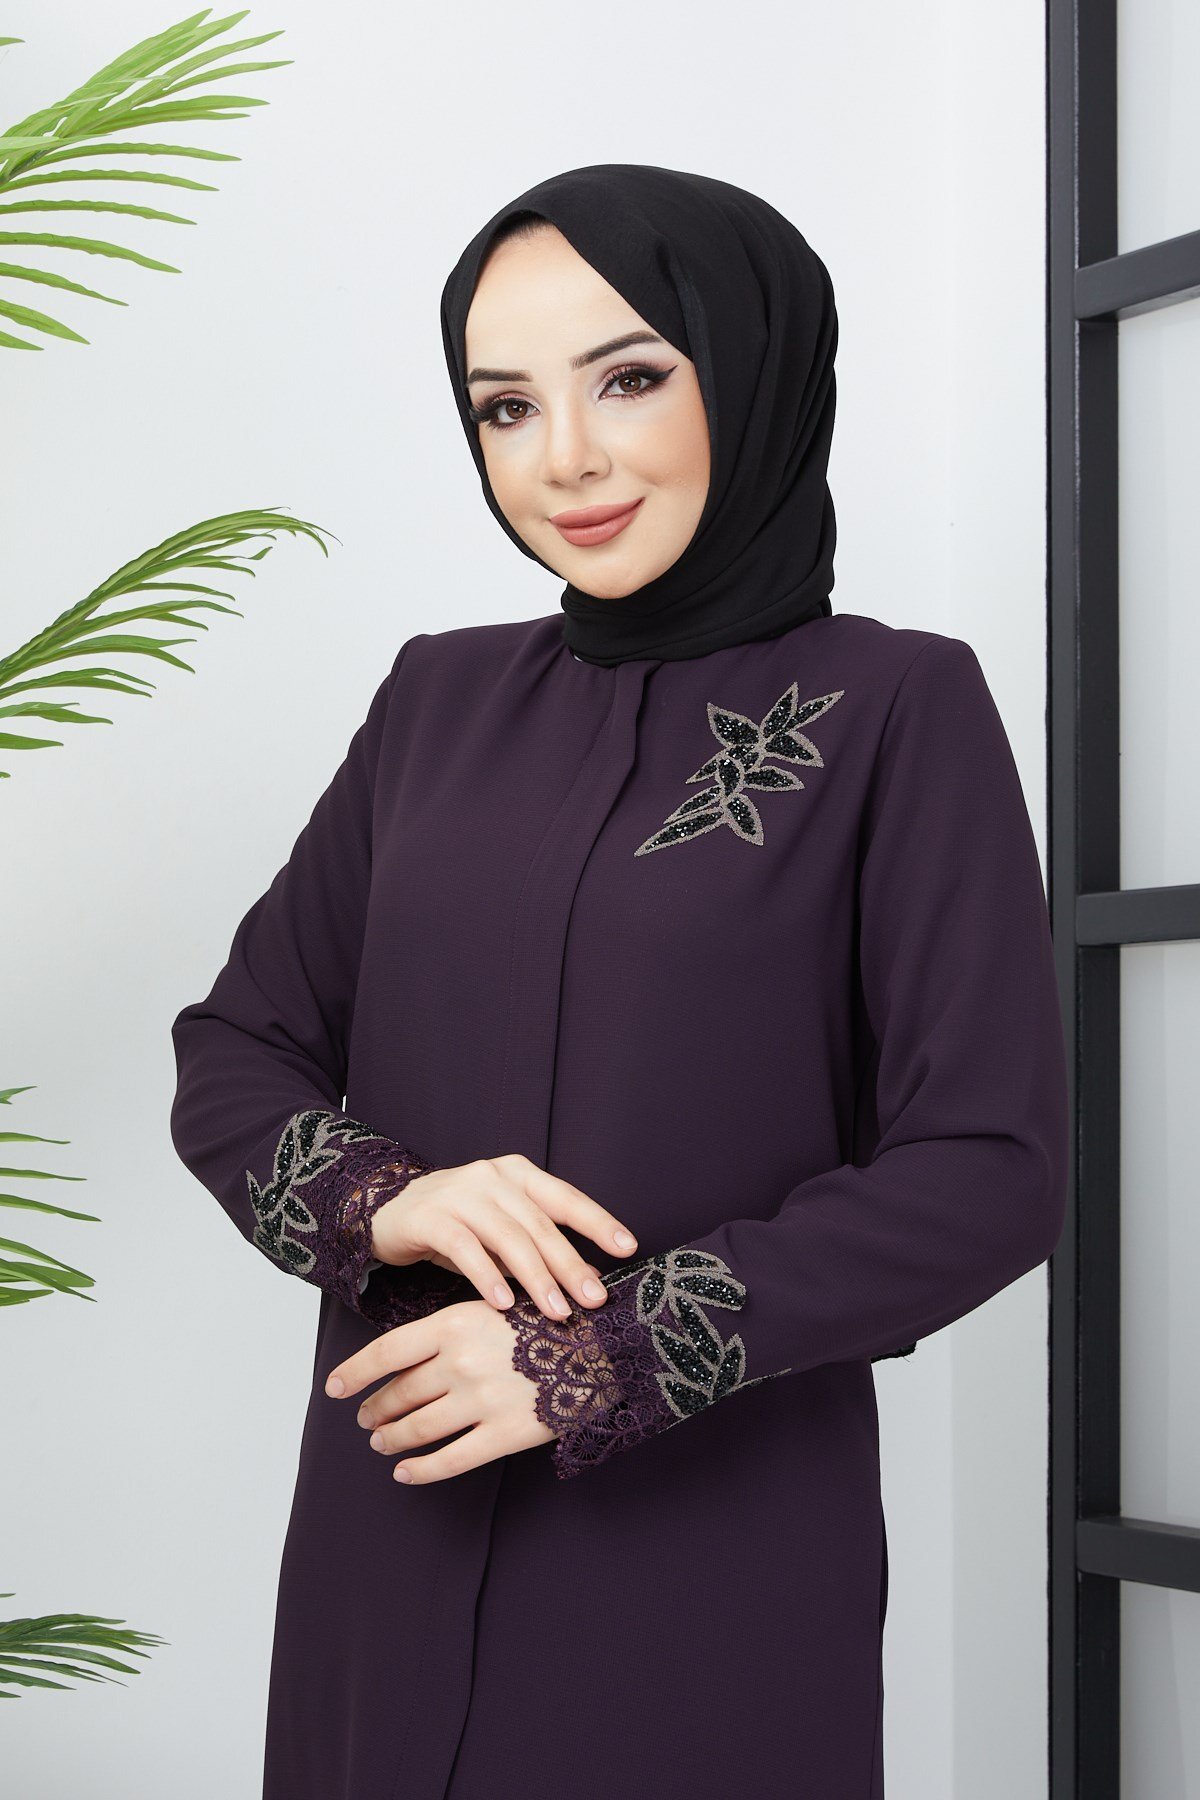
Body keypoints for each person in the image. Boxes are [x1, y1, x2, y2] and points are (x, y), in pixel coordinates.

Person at [169, 162, 1070, 1799]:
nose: (565, 459)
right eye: (506, 406)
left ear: (755, 372)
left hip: (704, 1566)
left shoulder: (892, 709)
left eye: (632, 378)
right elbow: (239, 1046)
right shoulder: (436, 705)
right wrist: (393, 1200)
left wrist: (598, 1357)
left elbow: (988, 1169)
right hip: (394, 1521)